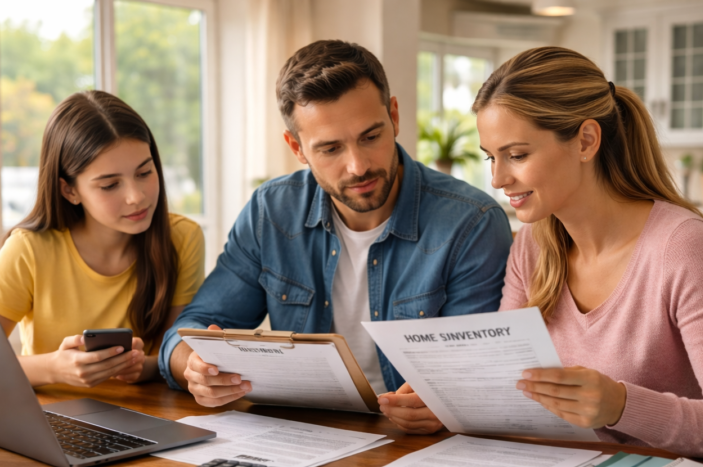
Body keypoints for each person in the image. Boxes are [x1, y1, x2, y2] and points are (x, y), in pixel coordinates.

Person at [385, 46, 703, 457]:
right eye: (491, 158)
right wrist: (444, 405)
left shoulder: (682, 246)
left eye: (517, 155)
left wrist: (621, 406)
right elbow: (505, 383)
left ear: (586, 141)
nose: (497, 179)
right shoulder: (533, 245)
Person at [159, 39, 512, 419]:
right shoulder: (271, 211)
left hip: (410, 445)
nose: (358, 166)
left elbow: (476, 377)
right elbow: (189, 331)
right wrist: (194, 367)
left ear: (394, 116)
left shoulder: (470, 222)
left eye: (371, 137)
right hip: (299, 432)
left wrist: (445, 404)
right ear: (296, 148)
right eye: (330, 149)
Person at [0, 91, 205, 387]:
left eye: (145, 172)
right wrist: (53, 368)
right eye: (109, 185)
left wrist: (140, 367)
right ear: (69, 190)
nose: (136, 197)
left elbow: (172, 355)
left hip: (149, 415)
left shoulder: (183, 238)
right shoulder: (29, 249)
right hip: (50, 418)